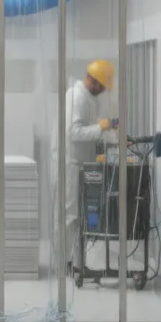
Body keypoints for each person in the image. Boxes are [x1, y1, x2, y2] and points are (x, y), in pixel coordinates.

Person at [53, 60, 118, 271]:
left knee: (77, 214)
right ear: (94, 81)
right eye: (102, 86)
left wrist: (110, 136)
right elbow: (74, 132)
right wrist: (100, 128)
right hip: (69, 163)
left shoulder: (88, 97)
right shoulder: (77, 97)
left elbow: (89, 127)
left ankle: (75, 261)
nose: (103, 91)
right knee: (69, 214)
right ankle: (64, 263)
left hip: (80, 163)